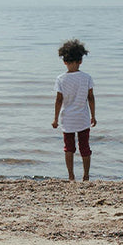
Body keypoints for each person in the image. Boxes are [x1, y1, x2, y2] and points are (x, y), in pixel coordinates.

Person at [51, 39, 96, 181]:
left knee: (69, 148)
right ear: (80, 60)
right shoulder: (86, 77)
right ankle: (86, 175)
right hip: (82, 118)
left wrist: (55, 119)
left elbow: (59, 100)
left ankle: (71, 176)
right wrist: (93, 116)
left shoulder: (61, 79)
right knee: (85, 148)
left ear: (64, 61)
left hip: (68, 119)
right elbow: (91, 98)